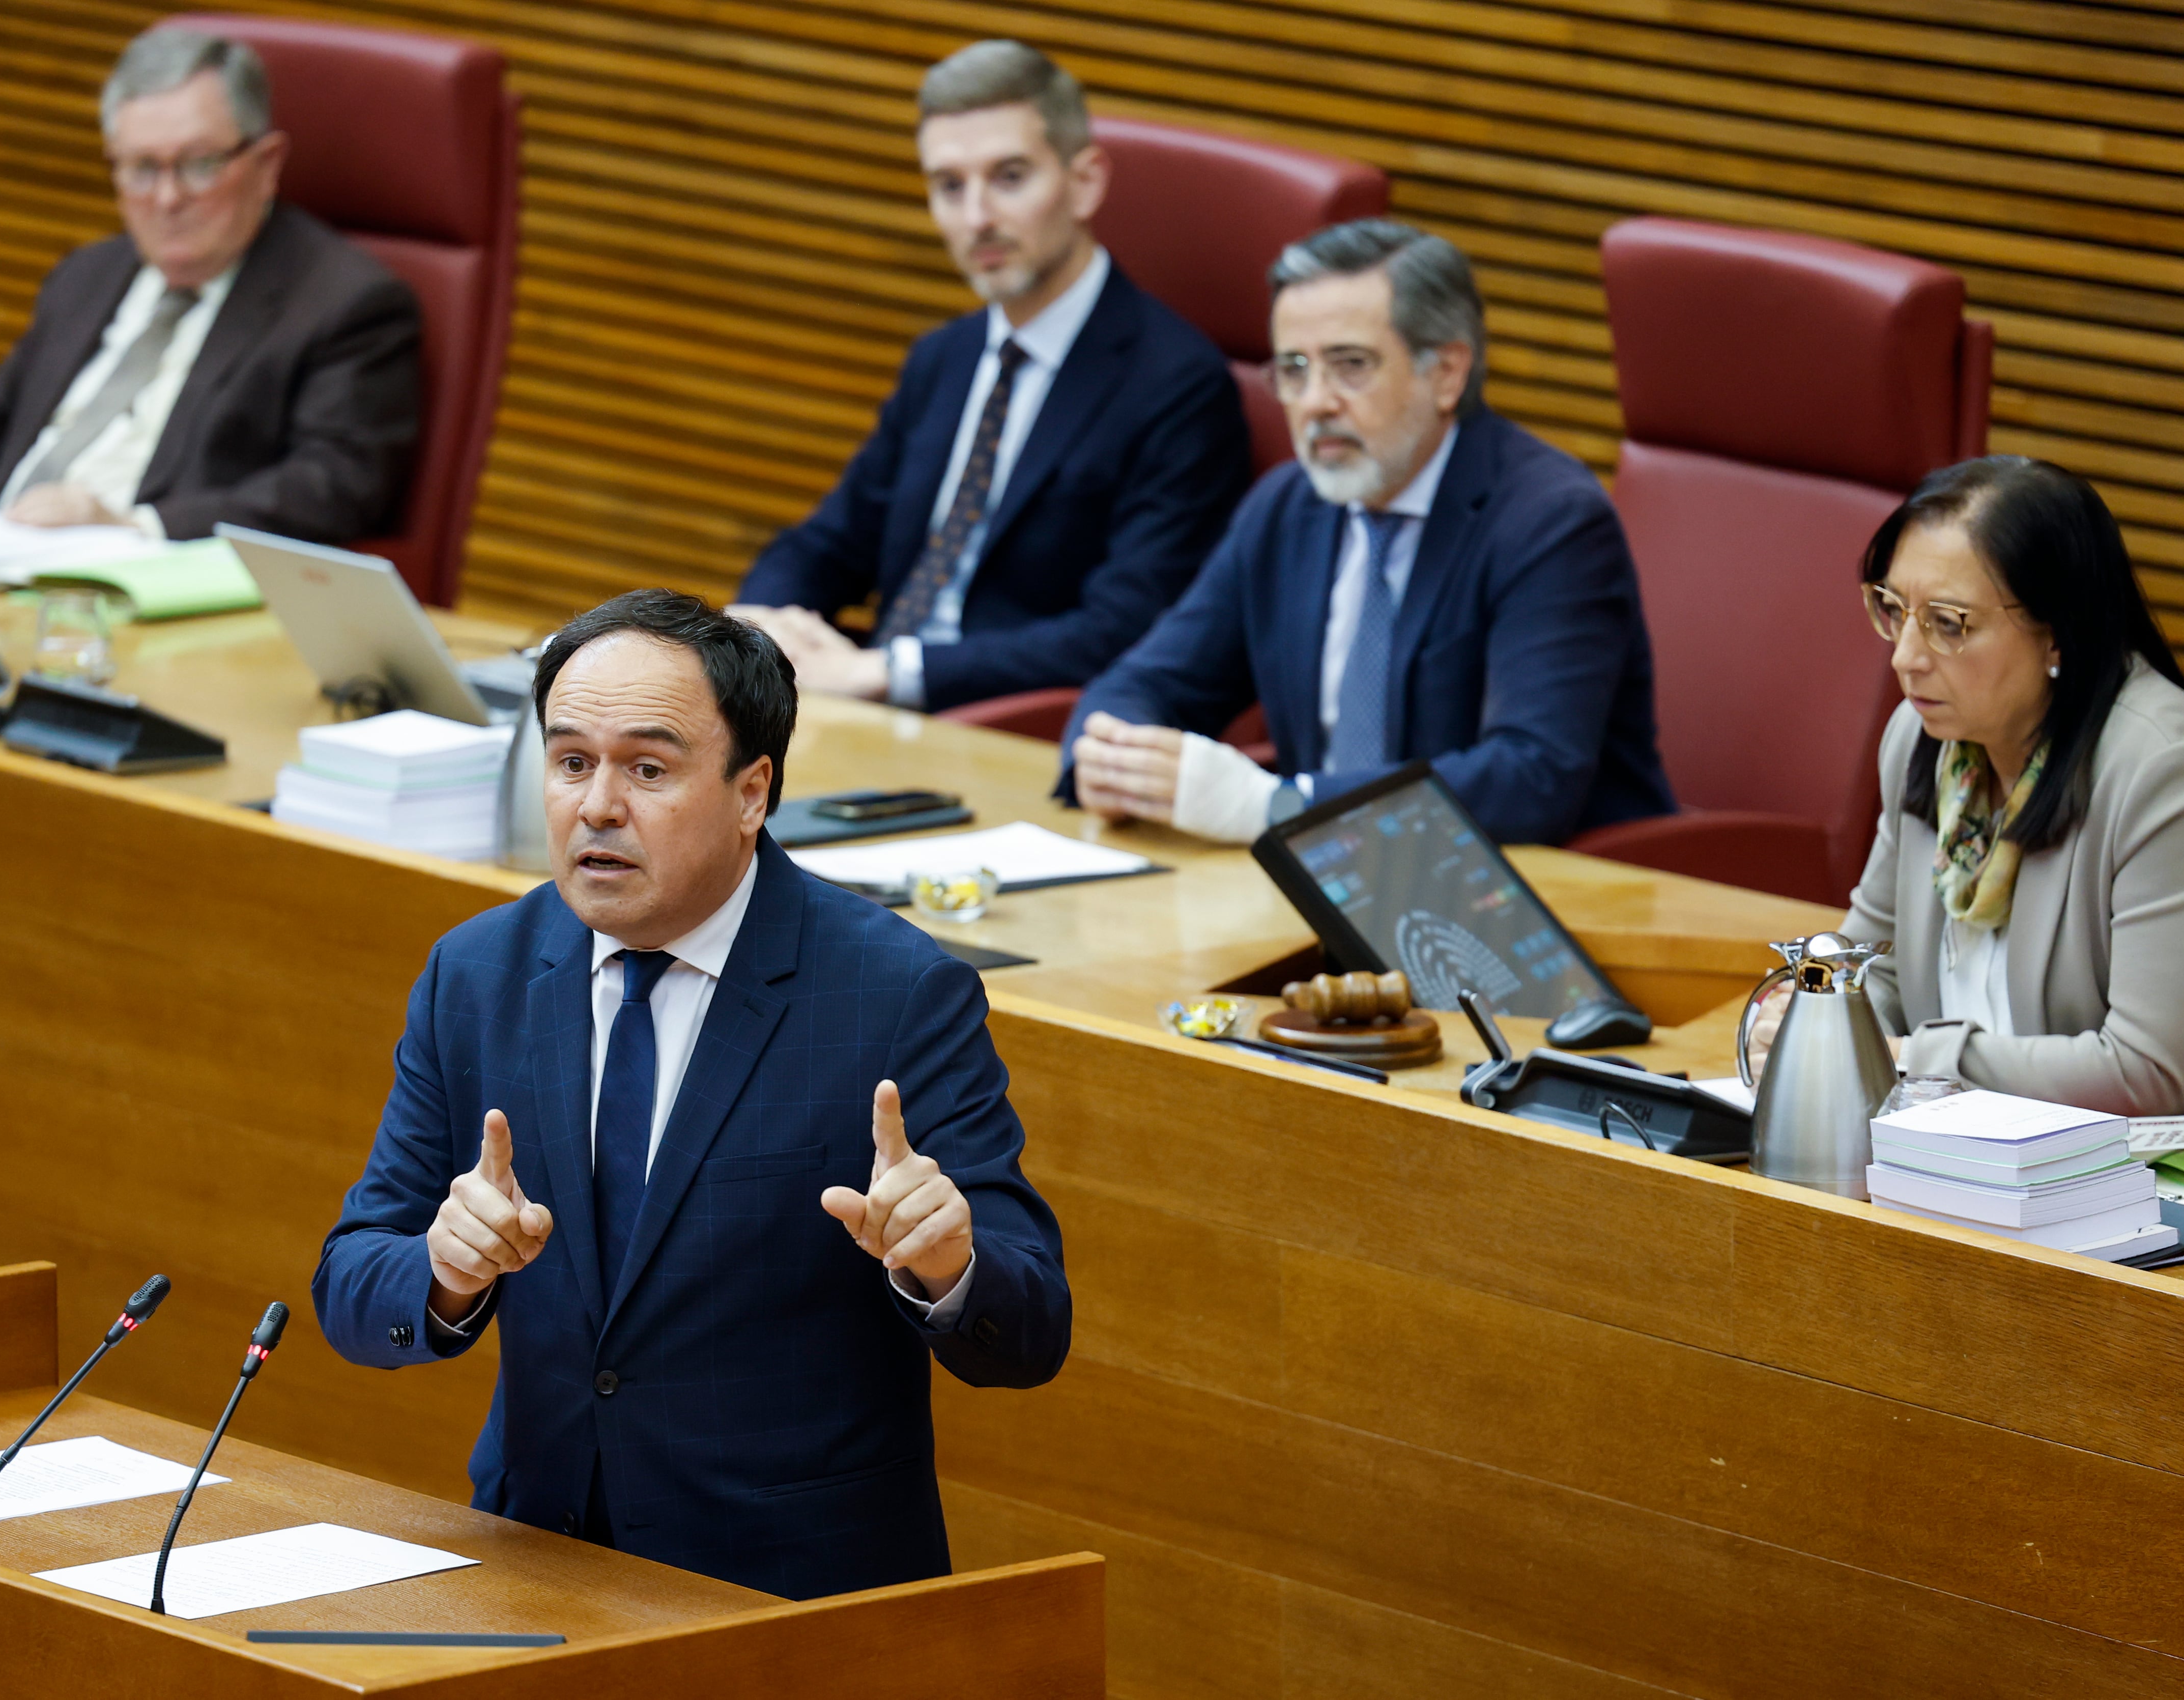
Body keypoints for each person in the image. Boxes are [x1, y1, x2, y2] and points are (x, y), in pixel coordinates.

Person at [310, 589, 1071, 1599]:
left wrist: (948, 1265)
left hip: (791, 1597)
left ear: (752, 792)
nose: (597, 806)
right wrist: (444, 1274)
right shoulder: (479, 973)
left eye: (648, 770)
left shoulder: (893, 994)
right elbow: (352, 1284)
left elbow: (1031, 1332)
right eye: (571, 762)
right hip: (541, 1562)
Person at [1061, 218, 1674, 846]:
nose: (1314, 401)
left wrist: (1282, 807)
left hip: (1547, 884)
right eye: (1293, 369)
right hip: (1332, 879)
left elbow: (1530, 779)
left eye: (1349, 366)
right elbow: (1145, 683)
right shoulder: (1284, 508)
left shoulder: (1549, 521)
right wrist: (1113, 758)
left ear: (1446, 373)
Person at [730, 40, 1249, 712]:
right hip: (873, 704)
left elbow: (1123, 629)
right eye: (950, 186)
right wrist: (762, 627)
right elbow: (829, 542)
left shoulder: (1178, 384)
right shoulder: (944, 356)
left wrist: (890, 671)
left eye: (1009, 177)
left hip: (1012, 723)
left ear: (1085, 183)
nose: (977, 218)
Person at [0, 27, 420, 546]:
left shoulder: (345, 304)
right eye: (141, 168)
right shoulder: (89, 274)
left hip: (143, 600)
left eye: (199, 165)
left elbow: (334, 485)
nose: (167, 198)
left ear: (266, 164)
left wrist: (133, 526)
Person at [1832, 456, 2184, 1115]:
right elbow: (1876, 966)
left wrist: (1911, 1059)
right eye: (1893, 609)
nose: (1905, 657)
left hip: (2165, 1166)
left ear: (2057, 635)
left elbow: (2143, 1074)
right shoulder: (1923, 739)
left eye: (1948, 623)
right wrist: (1815, 1011)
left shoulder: (2169, 776)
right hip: (1963, 1147)